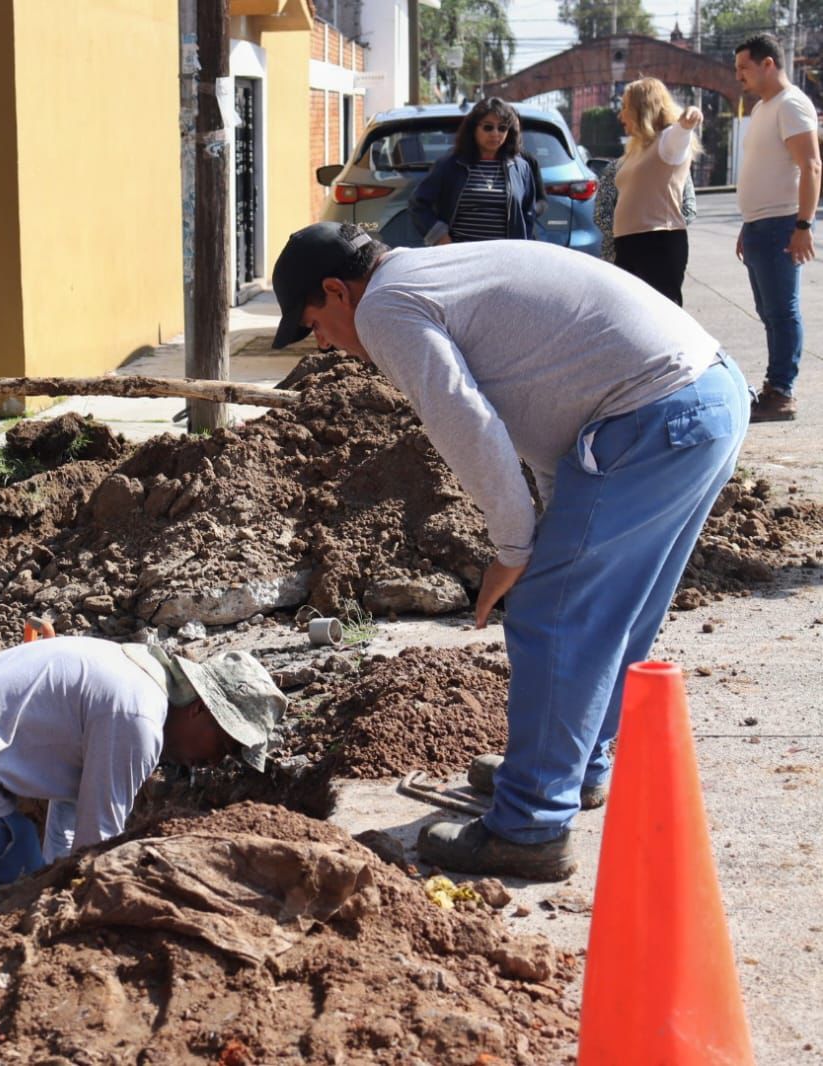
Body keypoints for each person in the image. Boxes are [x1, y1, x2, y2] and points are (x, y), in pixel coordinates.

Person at [269, 222, 748, 882]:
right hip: (701, 398)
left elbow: (467, 423)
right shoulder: (434, 273)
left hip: (651, 416)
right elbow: (552, 432)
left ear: (335, 290)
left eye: (314, 323)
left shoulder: (384, 305)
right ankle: (570, 771)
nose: (322, 343)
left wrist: (513, 548)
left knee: (552, 618)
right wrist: (540, 534)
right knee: (610, 614)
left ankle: (529, 827)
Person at [0, 636, 286, 890]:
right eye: (227, 745)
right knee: (10, 911)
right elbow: (98, 844)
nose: (217, 761)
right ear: (199, 709)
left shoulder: (133, 679)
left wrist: (59, 878)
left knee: (32, 882)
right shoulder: (138, 719)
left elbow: (72, 821)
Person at [734, 31, 821, 421]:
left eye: (744, 68)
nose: (739, 76)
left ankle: (781, 392)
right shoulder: (761, 109)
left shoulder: (791, 105)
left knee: (783, 313)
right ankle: (773, 387)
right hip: (758, 227)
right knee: (769, 314)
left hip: (781, 226)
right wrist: (747, 222)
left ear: (768, 64)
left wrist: (803, 224)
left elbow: (812, 166)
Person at [612, 78, 702, 305]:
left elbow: (681, 131)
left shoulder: (667, 142)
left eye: (625, 107)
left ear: (642, 109)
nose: (620, 116)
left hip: (658, 242)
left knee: (661, 318)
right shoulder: (637, 148)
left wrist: (689, 118)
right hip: (628, 244)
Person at [409, 98, 543, 246]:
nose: (495, 134)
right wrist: (440, 237)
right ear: (473, 129)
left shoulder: (520, 168)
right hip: (459, 257)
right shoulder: (450, 165)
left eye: (502, 128)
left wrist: (522, 247)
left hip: (505, 258)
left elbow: (528, 214)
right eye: (488, 127)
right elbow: (418, 204)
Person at [594, 156, 697, 265]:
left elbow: (601, 214)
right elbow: (688, 211)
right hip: (660, 254)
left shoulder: (617, 167)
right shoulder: (676, 168)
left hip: (624, 255)